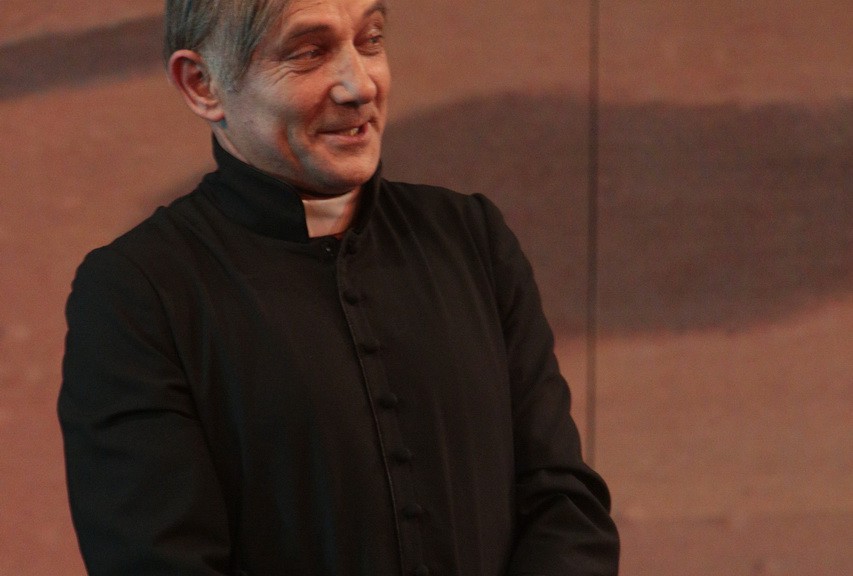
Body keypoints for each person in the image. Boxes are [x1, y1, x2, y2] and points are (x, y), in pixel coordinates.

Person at [58, 0, 620, 574]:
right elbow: (155, 561)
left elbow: (563, 504)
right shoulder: (138, 292)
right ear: (202, 84)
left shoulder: (471, 238)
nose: (361, 85)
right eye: (309, 53)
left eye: (371, 40)